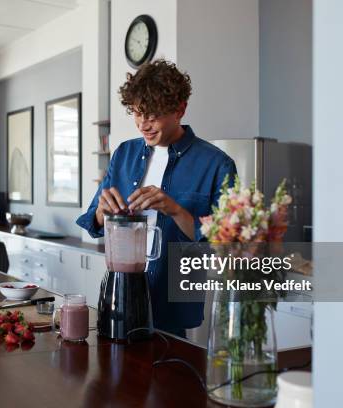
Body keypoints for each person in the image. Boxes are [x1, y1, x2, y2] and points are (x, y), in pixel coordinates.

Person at [77, 59, 237, 337]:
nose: (142, 125)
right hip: (121, 294)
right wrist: (103, 210)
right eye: (137, 114)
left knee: (173, 378)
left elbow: (224, 247)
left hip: (175, 305)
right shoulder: (124, 154)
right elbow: (94, 221)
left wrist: (175, 210)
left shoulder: (217, 164)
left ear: (180, 110)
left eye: (152, 116)